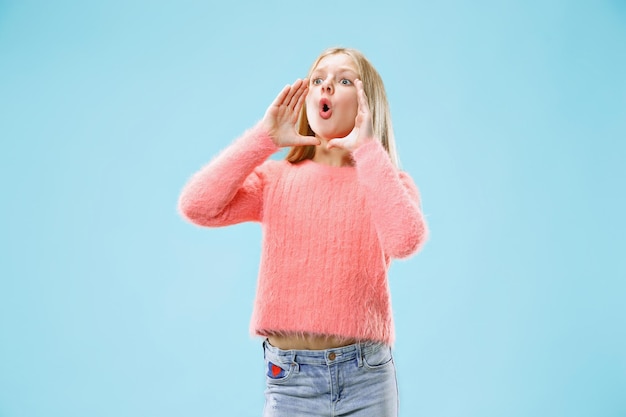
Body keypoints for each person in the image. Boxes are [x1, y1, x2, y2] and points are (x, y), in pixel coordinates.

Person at [178, 46, 428, 417]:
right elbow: (197, 205)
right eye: (318, 79)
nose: (326, 86)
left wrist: (369, 150)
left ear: (366, 104)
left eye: (344, 79)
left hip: (367, 377)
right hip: (289, 379)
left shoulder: (386, 182)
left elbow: (405, 240)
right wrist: (263, 139)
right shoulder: (276, 179)